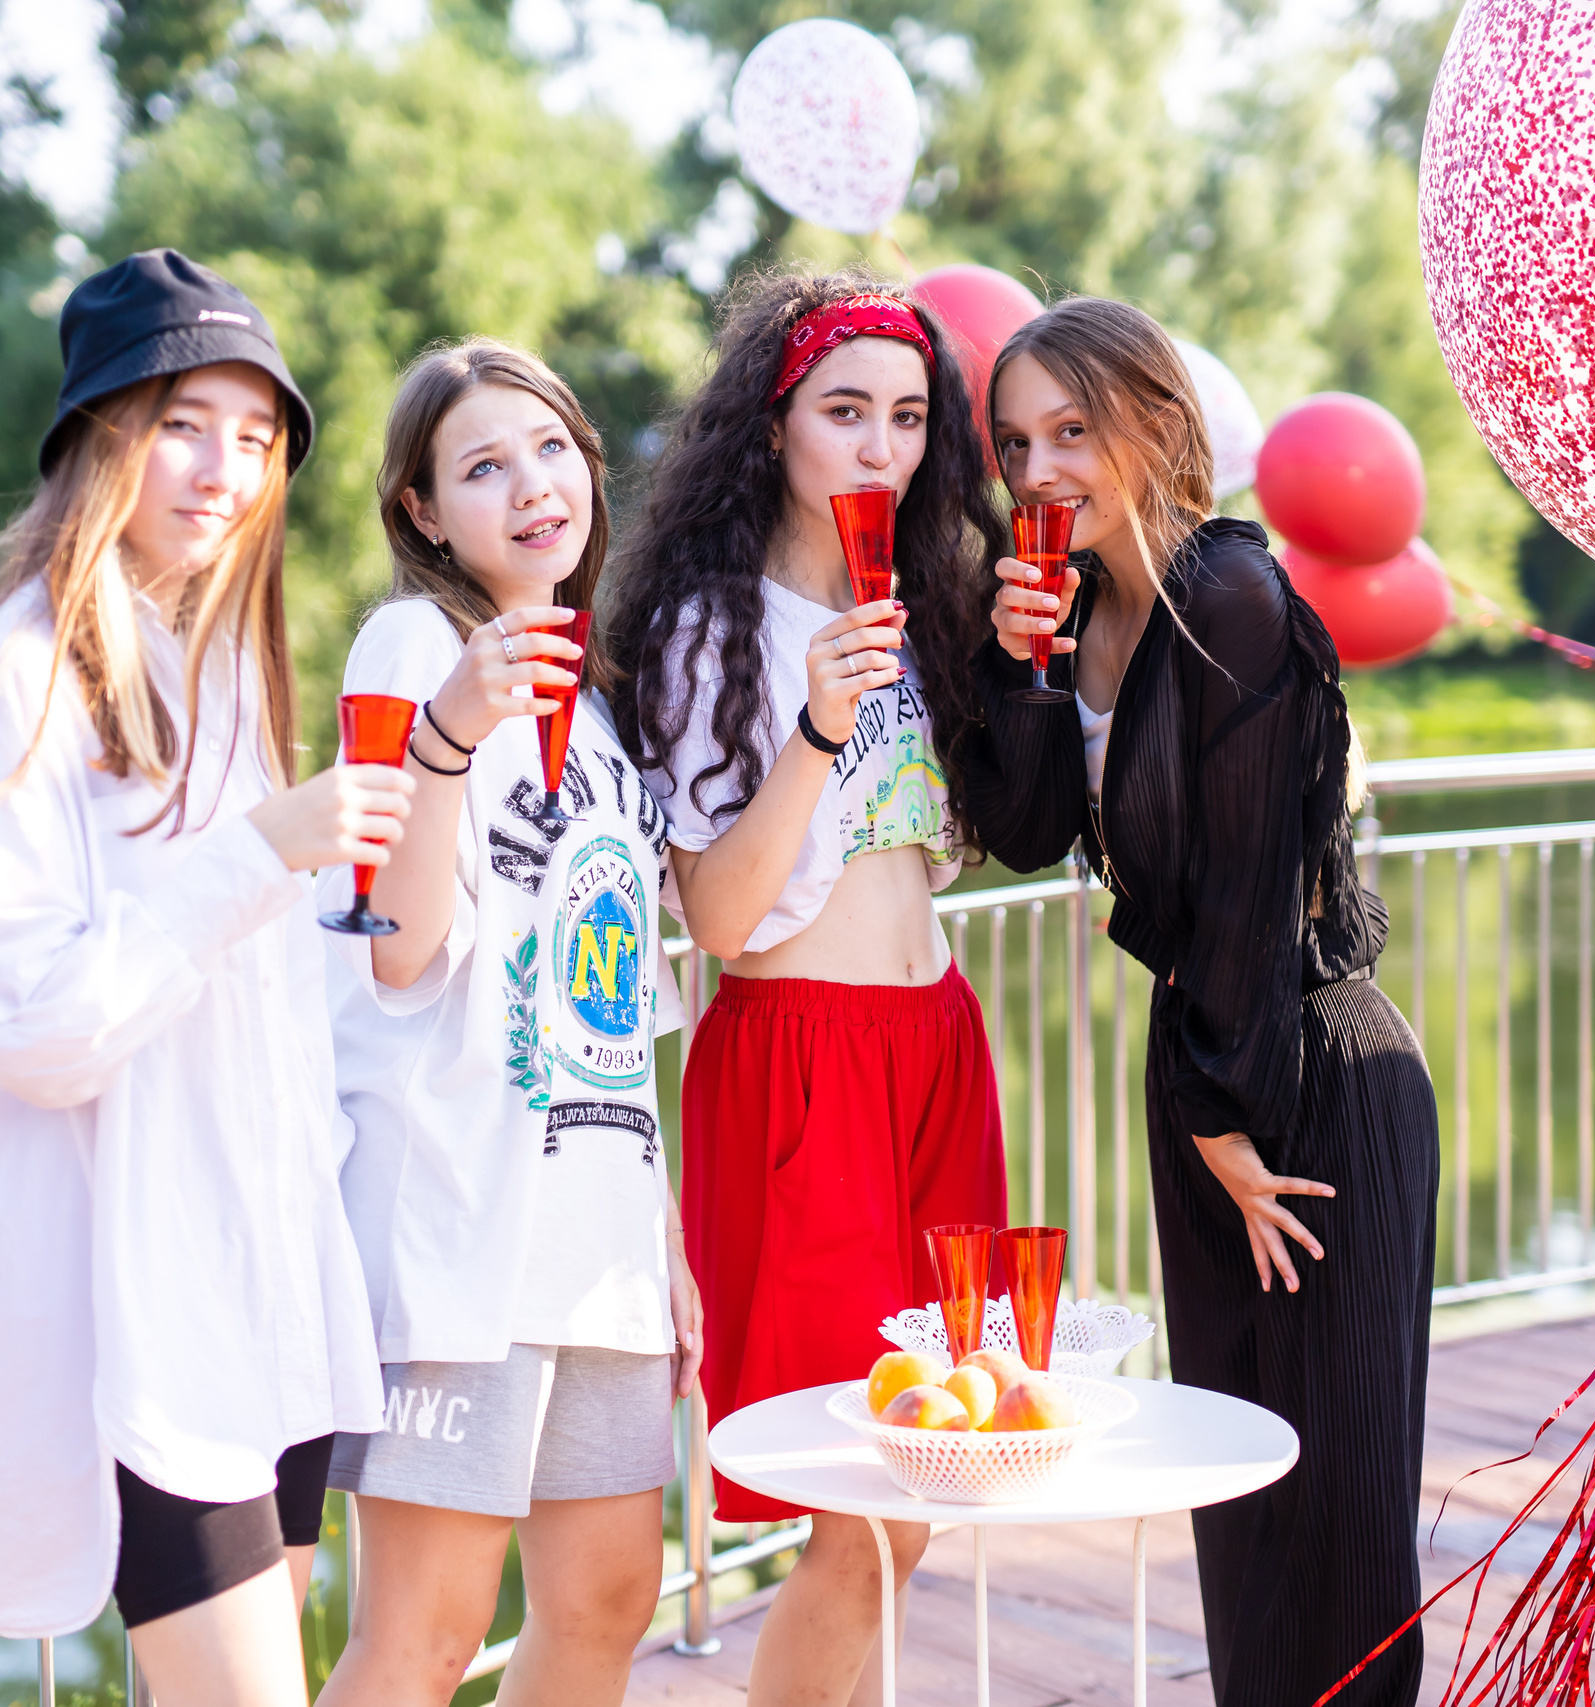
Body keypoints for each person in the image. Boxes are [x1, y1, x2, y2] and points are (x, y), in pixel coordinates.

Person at [0, 250, 400, 1706]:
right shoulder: (25, 675)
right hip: (137, 1305)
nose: (224, 470)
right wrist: (262, 849)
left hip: (257, 1284)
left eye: (256, 436)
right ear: (101, 436)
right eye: (183, 424)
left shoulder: (211, 663)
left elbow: (259, 1004)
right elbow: (35, 1028)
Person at [956, 296, 1441, 1707]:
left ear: (1158, 423)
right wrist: (1018, 665)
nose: (1040, 471)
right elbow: (1025, 833)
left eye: (1073, 430)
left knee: (1338, 1511)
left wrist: (1222, 1113)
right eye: (1014, 444)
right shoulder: (1076, 608)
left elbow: (1250, 889)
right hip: (1207, 1074)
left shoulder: (1230, 594)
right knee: (1235, 1492)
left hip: (1314, 1076)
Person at [605, 272, 1010, 1706]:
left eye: (908, 417)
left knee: (932, 1474)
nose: (880, 448)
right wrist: (817, 727)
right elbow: (719, 918)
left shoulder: (930, 607)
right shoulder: (708, 632)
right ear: (774, 426)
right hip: (799, 1058)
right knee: (859, 1494)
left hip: (936, 1046)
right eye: (845, 412)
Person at [317, 340, 695, 1707]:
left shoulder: (595, 699)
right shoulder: (417, 648)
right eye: (482, 467)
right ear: (422, 511)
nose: (533, 486)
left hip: (597, 1235)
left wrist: (664, 1238)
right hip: (461, 1232)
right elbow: (398, 947)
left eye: (550, 451)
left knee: (606, 1602)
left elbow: (610, 1007)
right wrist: (445, 736)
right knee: (425, 1633)